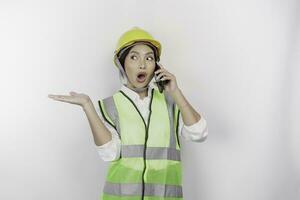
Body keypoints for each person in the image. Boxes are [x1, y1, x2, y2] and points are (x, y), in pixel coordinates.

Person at [48, 26, 208, 200]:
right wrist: (88, 107)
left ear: (156, 66)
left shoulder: (171, 102)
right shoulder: (108, 107)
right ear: (121, 64)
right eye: (134, 57)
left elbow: (199, 134)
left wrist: (176, 92)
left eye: (149, 58)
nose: (142, 64)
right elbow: (110, 153)